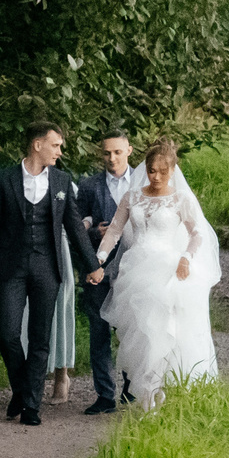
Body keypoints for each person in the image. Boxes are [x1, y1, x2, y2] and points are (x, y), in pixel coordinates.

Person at [0, 123, 106, 426]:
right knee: (7, 333)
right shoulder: (3, 179)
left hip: (47, 267)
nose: (60, 151)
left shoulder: (61, 180)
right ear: (37, 145)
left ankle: (31, 405)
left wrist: (92, 265)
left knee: (40, 337)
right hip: (11, 267)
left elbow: (73, 227)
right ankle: (21, 390)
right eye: (56, 145)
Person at [92, 138, 219, 406]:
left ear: (173, 170)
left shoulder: (181, 198)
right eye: (152, 170)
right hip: (137, 270)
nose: (157, 176)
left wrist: (186, 257)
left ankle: (162, 394)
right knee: (140, 331)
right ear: (145, 169)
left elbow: (197, 233)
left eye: (163, 171)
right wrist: (99, 260)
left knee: (164, 331)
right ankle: (146, 395)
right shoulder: (133, 196)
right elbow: (115, 230)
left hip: (168, 270)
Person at [75, 131, 137, 413]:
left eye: (117, 152)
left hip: (134, 267)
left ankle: (131, 388)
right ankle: (103, 394)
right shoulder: (89, 186)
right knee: (99, 330)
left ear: (129, 151)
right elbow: (74, 227)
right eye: (106, 153)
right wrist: (94, 235)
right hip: (97, 267)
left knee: (130, 328)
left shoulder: (143, 181)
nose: (111, 158)